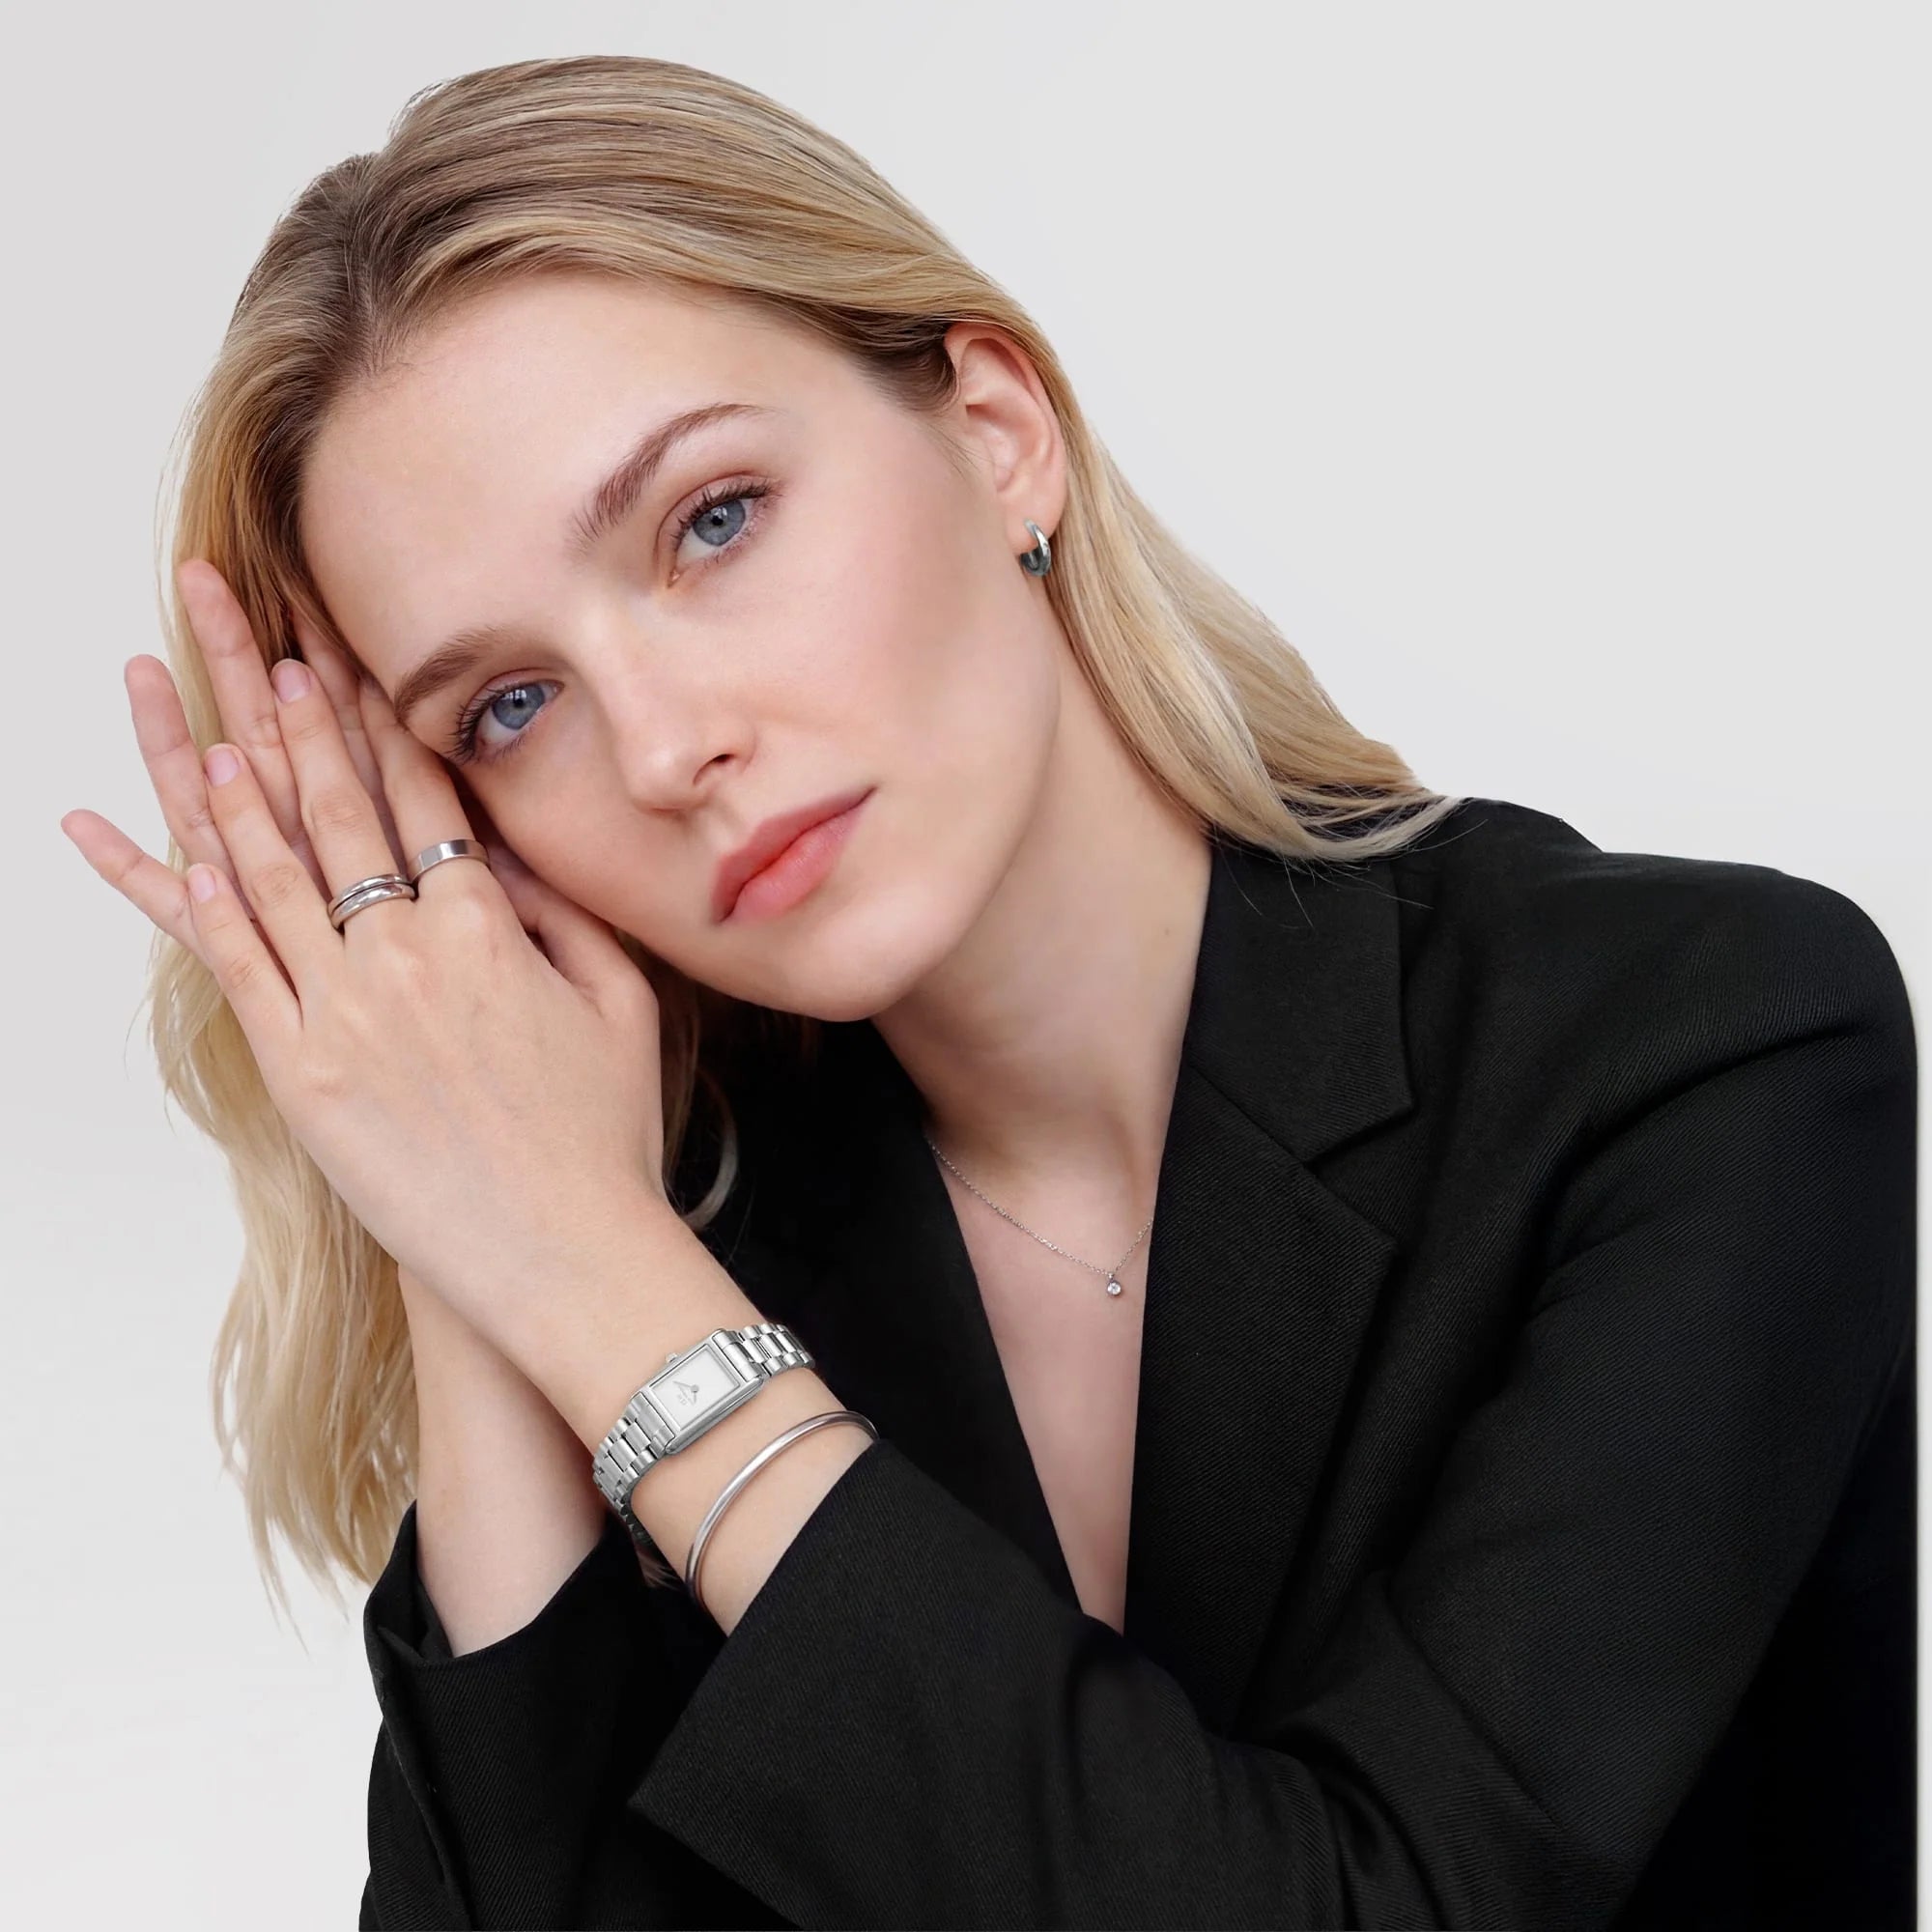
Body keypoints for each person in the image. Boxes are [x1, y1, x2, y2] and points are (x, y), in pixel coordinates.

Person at [62, 53, 1913, 1932]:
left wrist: (601, 1298)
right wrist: (465, 1217)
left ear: (998, 431)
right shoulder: (681, 1235)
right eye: (510, 708)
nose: (669, 745)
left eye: (712, 520)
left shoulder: (1707, 1050)